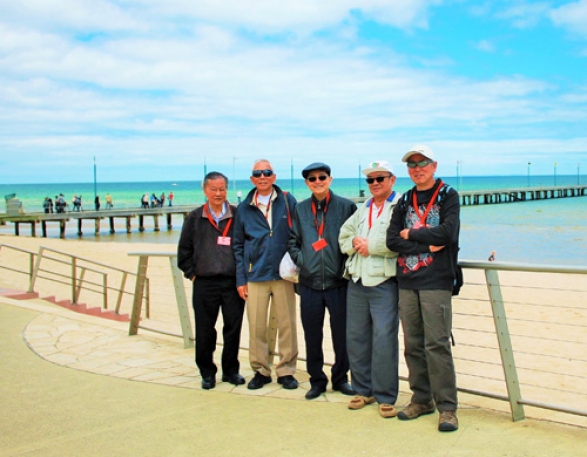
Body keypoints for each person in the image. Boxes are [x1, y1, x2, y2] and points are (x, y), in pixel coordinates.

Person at [386, 145, 460, 432]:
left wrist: (412, 233)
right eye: (412, 164)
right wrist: (426, 244)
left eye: (423, 163)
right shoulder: (405, 200)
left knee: (437, 345)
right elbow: (393, 240)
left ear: (434, 165)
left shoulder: (447, 195)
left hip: (437, 281)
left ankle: (448, 408)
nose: (417, 168)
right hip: (407, 281)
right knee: (413, 345)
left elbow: (448, 233)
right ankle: (421, 399)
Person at [288, 162, 357, 400]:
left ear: (330, 179)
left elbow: (355, 240)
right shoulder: (300, 209)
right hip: (309, 284)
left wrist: (344, 266)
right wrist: (304, 260)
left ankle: (340, 379)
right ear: (307, 183)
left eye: (322, 177)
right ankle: (316, 380)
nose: (317, 181)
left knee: (342, 335)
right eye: (312, 179)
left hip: (339, 283)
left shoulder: (346, 207)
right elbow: (292, 241)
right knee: (312, 336)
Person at [338, 160, 402, 417]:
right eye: (370, 180)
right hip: (356, 279)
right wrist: (355, 242)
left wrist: (371, 246)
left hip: (384, 281)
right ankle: (363, 390)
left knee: (384, 338)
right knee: (356, 338)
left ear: (392, 179)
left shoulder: (401, 206)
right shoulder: (363, 208)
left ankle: (386, 396)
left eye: (380, 178)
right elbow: (343, 236)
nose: (375, 183)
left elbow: (401, 239)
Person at [232, 159, 299, 390]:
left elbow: (297, 233)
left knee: (287, 324)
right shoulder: (243, 208)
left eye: (267, 172)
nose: (262, 176)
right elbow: (238, 245)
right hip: (255, 275)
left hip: (283, 275)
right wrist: (241, 279)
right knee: (257, 327)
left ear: (274, 176)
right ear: (252, 179)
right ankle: (260, 371)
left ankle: (287, 371)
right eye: (258, 173)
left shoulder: (288, 201)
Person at [177, 171, 246, 390]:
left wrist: (243, 276)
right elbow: (184, 252)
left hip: (233, 283)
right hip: (204, 283)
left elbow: (246, 247)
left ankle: (231, 371)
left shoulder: (237, 215)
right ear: (205, 190)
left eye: (222, 189)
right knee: (205, 329)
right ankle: (207, 372)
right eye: (214, 189)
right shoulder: (195, 218)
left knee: (233, 329)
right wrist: (193, 273)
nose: (219, 193)